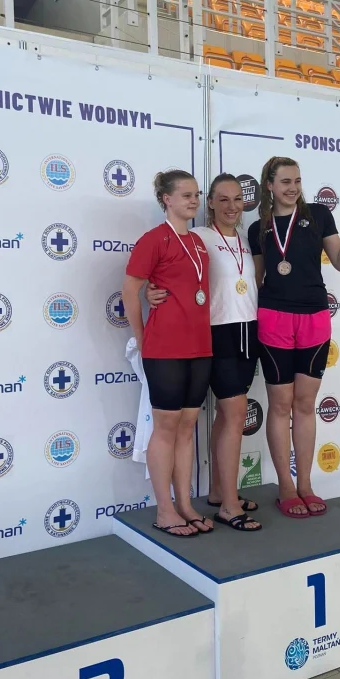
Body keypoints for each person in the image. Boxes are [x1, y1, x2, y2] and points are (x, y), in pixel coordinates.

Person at [249, 155, 340, 518]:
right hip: (274, 318)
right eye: (285, 181)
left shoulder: (319, 215)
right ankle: (285, 487)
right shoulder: (258, 228)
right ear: (269, 185)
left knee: (305, 405)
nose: (293, 188)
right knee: (280, 405)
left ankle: (305, 484)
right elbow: (255, 280)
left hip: (314, 318)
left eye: (297, 181)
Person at [147, 175, 262, 532]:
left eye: (237, 199)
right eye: (223, 199)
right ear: (210, 202)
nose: (232, 206)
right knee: (235, 413)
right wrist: (152, 290)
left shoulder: (246, 240)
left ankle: (218, 491)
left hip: (248, 331)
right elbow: (176, 275)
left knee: (228, 417)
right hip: (216, 332)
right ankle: (229, 505)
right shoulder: (199, 238)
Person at [122, 170, 214, 537]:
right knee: (165, 429)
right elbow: (130, 290)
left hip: (200, 346)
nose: (194, 201)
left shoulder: (198, 242)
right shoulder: (154, 239)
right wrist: (142, 337)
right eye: (186, 195)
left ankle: (185, 504)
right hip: (165, 348)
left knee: (187, 427)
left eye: (196, 195)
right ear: (167, 199)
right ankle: (164, 510)